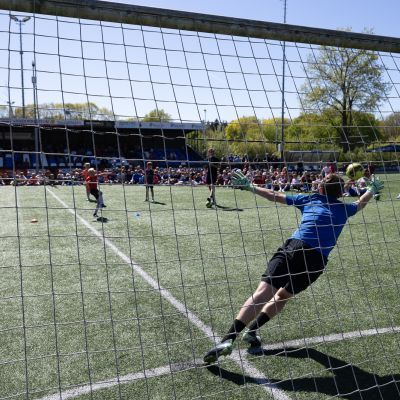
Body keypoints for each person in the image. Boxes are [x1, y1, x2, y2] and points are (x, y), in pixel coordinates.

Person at [203, 171, 384, 364]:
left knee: (263, 293)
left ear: (320, 188)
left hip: (295, 248)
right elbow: (361, 203)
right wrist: (371, 190)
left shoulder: (310, 199)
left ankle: (228, 339)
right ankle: (252, 331)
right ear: (341, 193)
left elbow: (274, 195)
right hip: (317, 261)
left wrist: (250, 187)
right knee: (283, 296)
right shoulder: (345, 209)